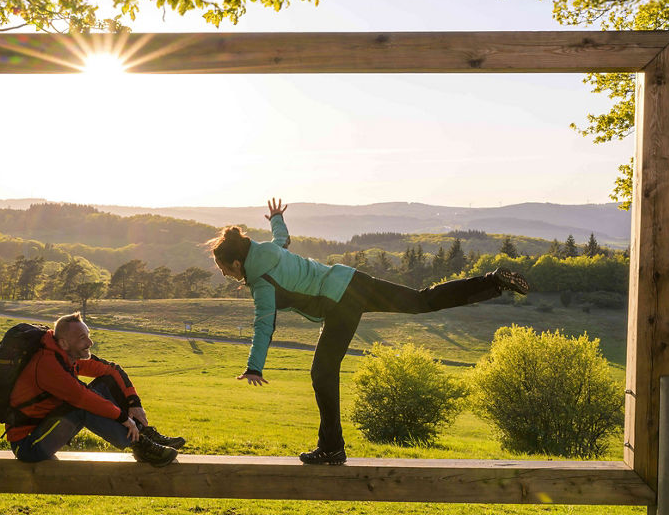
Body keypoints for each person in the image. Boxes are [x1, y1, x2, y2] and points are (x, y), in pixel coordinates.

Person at [209, 199, 531, 465]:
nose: (224, 274)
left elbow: (264, 323)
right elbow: (282, 239)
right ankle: (492, 282)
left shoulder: (261, 282)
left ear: (237, 263)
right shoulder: (269, 250)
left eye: (223, 268)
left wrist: (254, 366)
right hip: (353, 280)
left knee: (322, 373)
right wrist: (278, 219)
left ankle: (332, 448)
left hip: (339, 302)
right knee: (421, 300)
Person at [7, 312, 185, 466]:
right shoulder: (48, 364)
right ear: (64, 343)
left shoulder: (66, 355)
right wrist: (124, 418)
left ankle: (143, 433)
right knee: (81, 407)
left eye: (88, 335)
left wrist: (134, 402)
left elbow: (112, 370)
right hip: (29, 445)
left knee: (107, 381)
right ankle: (140, 445)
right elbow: (83, 398)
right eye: (82, 338)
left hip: (47, 426)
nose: (90, 342)